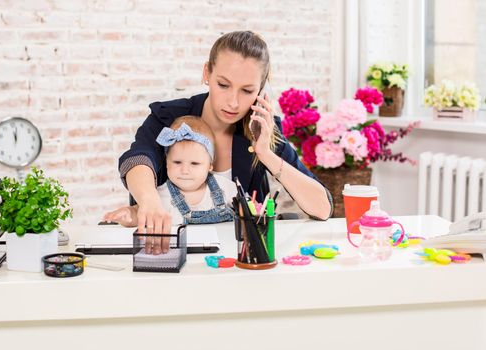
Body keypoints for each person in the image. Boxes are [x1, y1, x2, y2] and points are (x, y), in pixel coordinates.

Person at [119, 30, 333, 254]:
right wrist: (149, 201)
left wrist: (266, 154)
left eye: (247, 90)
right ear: (206, 73)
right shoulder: (168, 116)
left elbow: (322, 208)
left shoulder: (263, 128)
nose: (233, 102)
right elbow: (138, 159)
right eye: (223, 85)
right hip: (166, 252)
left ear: (261, 91)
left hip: (237, 260)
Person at [104, 116, 238, 252]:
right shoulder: (161, 195)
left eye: (195, 163)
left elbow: (246, 207)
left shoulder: (225, 187)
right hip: (182, 252)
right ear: (167, 162)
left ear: (210, 166)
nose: (185, 171)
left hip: (224, 251)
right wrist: (129, 214)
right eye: (177, 162)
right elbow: (142, 213)